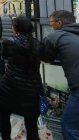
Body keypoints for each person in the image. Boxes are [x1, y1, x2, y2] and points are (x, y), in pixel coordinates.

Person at [0, 16, 44, 140]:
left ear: (16, 28)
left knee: (4, 117)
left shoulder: (9, 42)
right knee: (31, 123)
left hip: (10, 86)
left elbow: (4, 56)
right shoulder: (38, 44)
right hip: (32, 88)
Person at [42, 10, 79, 139]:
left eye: (51, 22)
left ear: (59, 23)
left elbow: (46, 57)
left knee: (69, 126)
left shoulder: (55, 36)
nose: (50, 25)